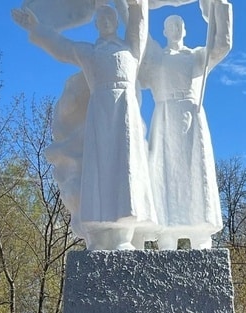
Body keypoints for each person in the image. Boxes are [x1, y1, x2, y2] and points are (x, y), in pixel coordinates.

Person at [12, 0, 157, 251]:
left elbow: (139, 23)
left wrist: (137, 4)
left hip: (126, 116)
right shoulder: (89, 52)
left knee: (126, 169)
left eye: (109, 18)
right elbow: (61, 47)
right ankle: (100, 232)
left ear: (115, 22)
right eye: (100, 20)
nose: (106, 22)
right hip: (99, 115)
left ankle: (124, 233)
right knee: (100, 170)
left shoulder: (131, 49)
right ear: (97, 25)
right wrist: (36, 27)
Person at [139, 2, 232, 249]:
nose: (176, 28)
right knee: (163, 173)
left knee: (195, 173)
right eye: (171, 25)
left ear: (185, 31)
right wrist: (132, 7)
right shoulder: (157, 58)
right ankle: (165, 232)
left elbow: (221, 44)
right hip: (165, 119)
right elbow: (139, 36)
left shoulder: (196, 56)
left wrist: (218, 6)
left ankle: (199, 233)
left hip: (192, 119)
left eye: (179, 25)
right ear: (164, 31)